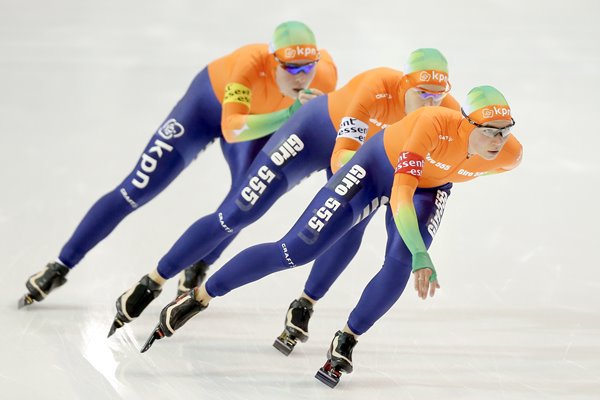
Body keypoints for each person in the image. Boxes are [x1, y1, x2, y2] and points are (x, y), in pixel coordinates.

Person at [140, 85, 523, 388]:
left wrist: (444, 189)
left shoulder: (510, 155)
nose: (498, 141)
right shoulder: (431, 124)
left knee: (401, 263)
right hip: (377, 168)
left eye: (505, 132)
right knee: (296, 250)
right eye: (489, 132)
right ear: (466, 124)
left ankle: (347, 338)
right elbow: (400, 196)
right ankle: (201, 297)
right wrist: (424, 251)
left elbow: (470, 169)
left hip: (430, 186)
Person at [108, 48, 459, 339]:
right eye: (422, 93)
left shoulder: (448, 113)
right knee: (240, 211)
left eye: (437, 94)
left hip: (363, 156)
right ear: (403, 84)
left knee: (350, 227)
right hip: (316, 135)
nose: (430, 101)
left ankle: (305, 302)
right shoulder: (377, 85)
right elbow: (341, 155)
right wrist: (361, 179)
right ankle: (153, 280)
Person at [18, 21, 338, 310]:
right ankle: (61, 265)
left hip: (257, 123)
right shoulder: (250, 63)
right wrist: (288, 113)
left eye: (308, 67)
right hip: (207, 110)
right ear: (273, 61)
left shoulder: (325, 77)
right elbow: (232, 127)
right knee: (136, 188)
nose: (302, 77)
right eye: (292, 69)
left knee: (245, 202)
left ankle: (199, 264)